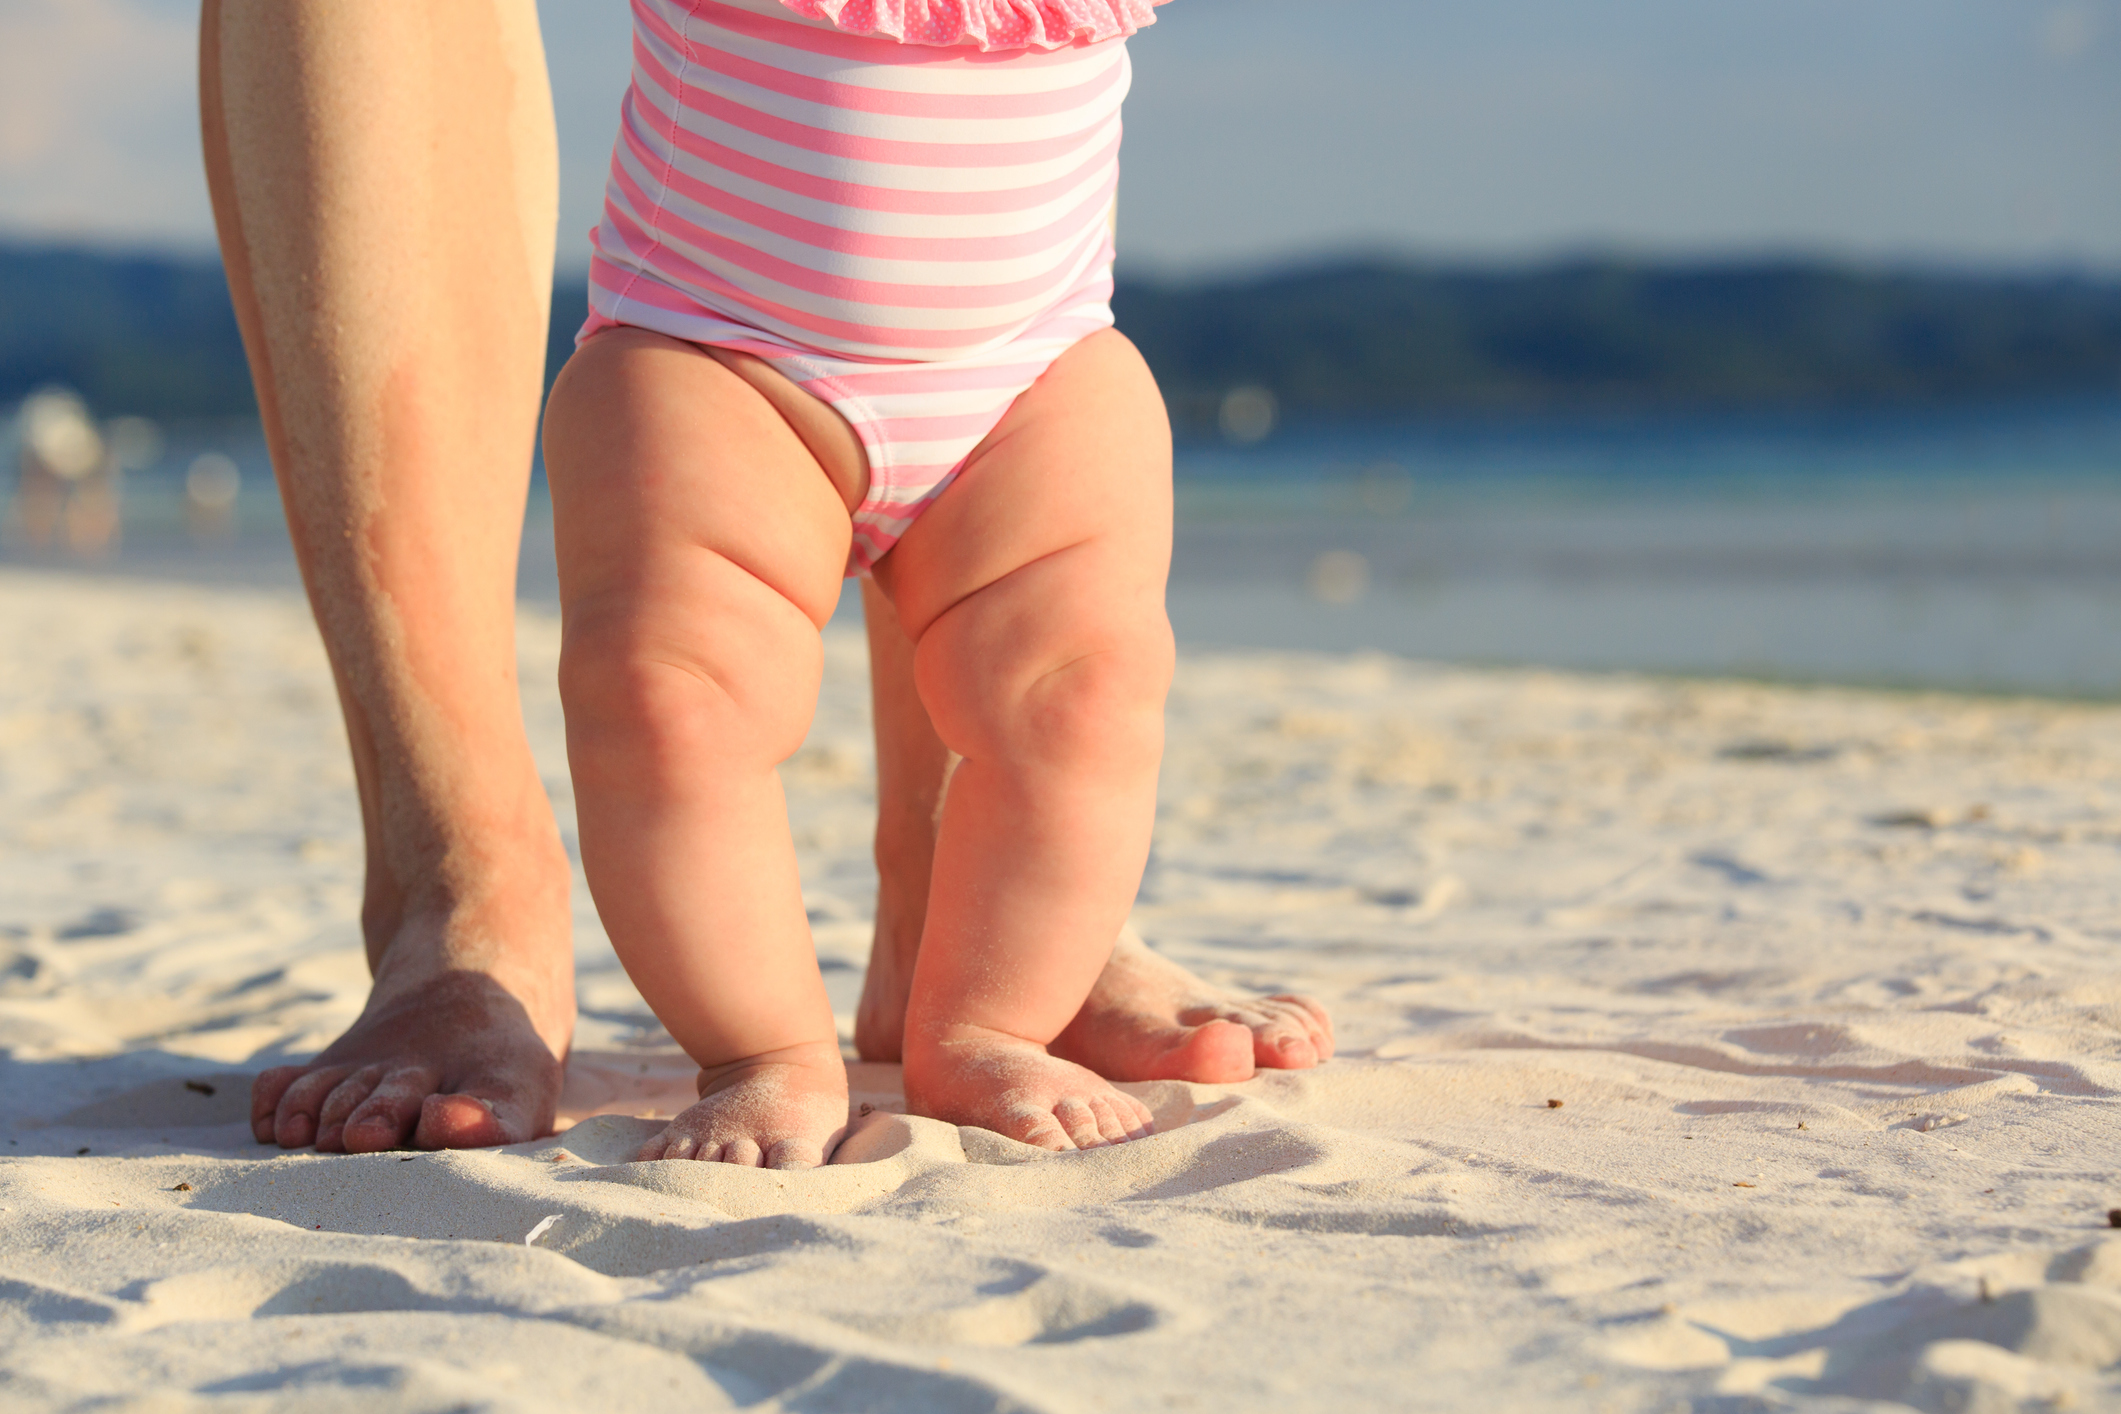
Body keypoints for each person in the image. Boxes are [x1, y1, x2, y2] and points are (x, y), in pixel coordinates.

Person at [198, 0, 1332, 1158]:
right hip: (718, 353)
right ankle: (763, 1049)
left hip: (1035, 366)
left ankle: (983, 1016)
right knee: (667, 694)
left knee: (1080, 691)